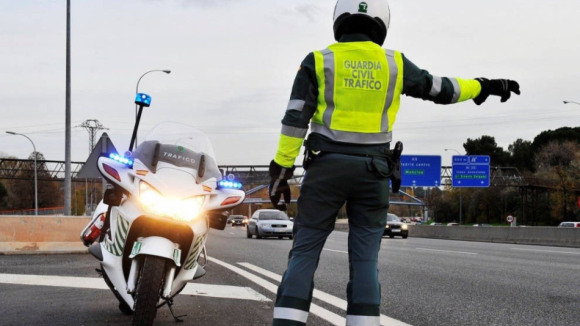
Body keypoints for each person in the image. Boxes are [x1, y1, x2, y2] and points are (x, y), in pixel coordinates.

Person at [268, 1, 520, 325]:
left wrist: (282, 167)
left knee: (304, 252)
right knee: (365, 261)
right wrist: (483, 85)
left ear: (339, 21)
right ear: (380, 23)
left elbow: (295, 117)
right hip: (374, 173)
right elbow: (440, 88)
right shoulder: (394, 64)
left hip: (325, 169)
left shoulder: (318, 60)